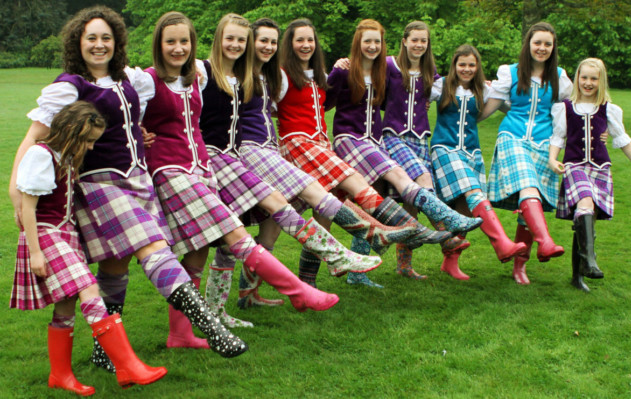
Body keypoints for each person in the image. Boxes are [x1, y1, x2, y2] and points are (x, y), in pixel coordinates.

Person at [8, 6, 247, 372]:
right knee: (155, 249)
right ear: (79, 42)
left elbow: (142, 113)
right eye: (92, 38)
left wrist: (139, 133)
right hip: (100, 184)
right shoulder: (69, 86)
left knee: (116, 266)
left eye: (107, 38)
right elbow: (34, 136)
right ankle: (209, 325)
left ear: (117, 41)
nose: (100, 45)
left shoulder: (127, 79)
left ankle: (104, 353)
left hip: (138, 180)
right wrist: (15, 191)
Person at [142, 12, 342, 336]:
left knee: (199, 252)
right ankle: (300, 288)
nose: (178, 48)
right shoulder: (185, 75)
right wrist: (138, 130)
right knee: (233, 233)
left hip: (203, 167)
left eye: (184, 42)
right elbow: (124, 105)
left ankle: (182, 333)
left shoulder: (217, 77)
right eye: (171, 42)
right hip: (178, 169)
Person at [234, 17, 417, 302]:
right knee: (339, 186)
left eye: (310, 39)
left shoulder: (314, 73)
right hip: (289, 148)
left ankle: (250, 293)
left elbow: (324, 101)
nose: (306, 44)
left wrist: (337, 69)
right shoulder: (277, 74)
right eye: (299, 40)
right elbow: (263, 108)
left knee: (276, 227)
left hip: (306, 144)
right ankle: (386, 229)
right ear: (289, 44)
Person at [277, 18, 458, 288]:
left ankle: (314, 282)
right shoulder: (334, 72)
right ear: (357, 44)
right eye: (367, 41)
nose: (372, 46)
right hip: (342, 139)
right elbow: (323, 103)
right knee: (379, 182)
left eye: (377, 42)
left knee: (326, 216)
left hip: (359, 140)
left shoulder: (381, 72)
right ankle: (416, 228)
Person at [10, 101, 167, 395]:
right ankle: (127, 365)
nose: (92, 147)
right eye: (89, 140)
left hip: (65, 234)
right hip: (46, 235)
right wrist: (34, 252)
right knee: (89, 288)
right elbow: (27, 208)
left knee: (66, 305)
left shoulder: (65, 157)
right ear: (71, 130)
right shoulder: (41, 155)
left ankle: (61, 375)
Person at [327, 20, 481, 287]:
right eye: (415, 40)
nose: (419, 44)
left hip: (398, 139)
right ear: (404, 41)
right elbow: (328, 98)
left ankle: (385, 268)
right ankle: (447, 227)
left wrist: (477, 80)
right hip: (378, 137)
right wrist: (338, 65)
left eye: (424, 40)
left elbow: (449, 86)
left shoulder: (424, 71)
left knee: (379, 201)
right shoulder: (383, 66)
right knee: (419, 179)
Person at [548, 58, 631, 292]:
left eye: (593, 78)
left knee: (586, 217)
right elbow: (558, 137)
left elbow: (623, 140)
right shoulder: (565, 108)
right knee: (585, 201)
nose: (588, 82)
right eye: (583, 77)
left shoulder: (608, 110)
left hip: (600, 169)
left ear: (601, 81)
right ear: (577, 79)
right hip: (574, 166)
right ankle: (591, 259)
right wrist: (553, 158)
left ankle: (578, 275)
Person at [480, 22, 572, 284]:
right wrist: (461, 121)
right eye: (537, 43)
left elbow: (574, 111)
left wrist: (598, 129)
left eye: (547, 44)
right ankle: (545, 241)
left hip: (544, 143)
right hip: (512, 138)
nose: (542, 48)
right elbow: (490, 107)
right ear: (528, 44)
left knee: (532, 199)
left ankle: (521, 266)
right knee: (528, 186)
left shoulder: (560, 78)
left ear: (553, 48)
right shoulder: (510, 72)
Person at [431, 44, 526, 280]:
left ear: (478, 66)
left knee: (465, 210)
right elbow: (412, 97)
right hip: (444, 149)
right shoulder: (441, 85)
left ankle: (450, 263)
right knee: (474, 192)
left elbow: (513, 108)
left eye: (471, 65)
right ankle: (501, 243)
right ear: (454, 65)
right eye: (462, 64)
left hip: (472, 153)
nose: (466, 69)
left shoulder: (484, 89)